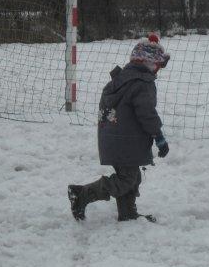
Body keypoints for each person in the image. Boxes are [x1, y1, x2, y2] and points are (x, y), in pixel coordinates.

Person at [67, 33, 171, 222]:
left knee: (132, 177)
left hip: (113, 138)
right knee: (126, 179)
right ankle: (81, 194)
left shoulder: (120, 80)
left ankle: (127, 213)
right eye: (157, 65)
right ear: (148, 63)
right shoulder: (143, 84)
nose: (158, 70)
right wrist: (159, 137)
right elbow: (147, 114)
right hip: (126, 141)